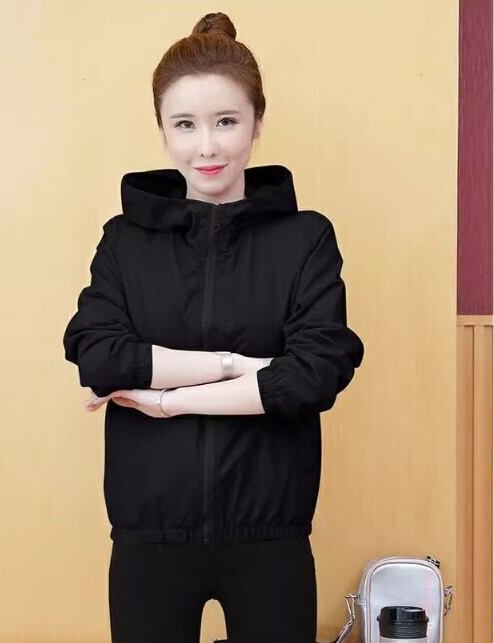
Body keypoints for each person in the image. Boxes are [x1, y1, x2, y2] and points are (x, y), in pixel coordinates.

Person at [62, 11, 365, 643]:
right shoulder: (124, 242)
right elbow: (100, 356)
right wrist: (240, 367)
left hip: (271, 537)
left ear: (258, 121)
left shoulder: (306, 239)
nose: (207, 147)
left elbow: (314, 376)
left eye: (226, 121)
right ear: (162, 129)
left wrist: (168, 401)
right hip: (150, 539)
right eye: (185, 124)